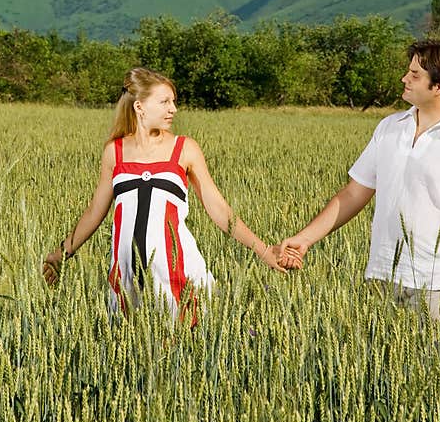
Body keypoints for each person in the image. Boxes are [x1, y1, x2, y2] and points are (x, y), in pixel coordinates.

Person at [43, 66, 295, 322]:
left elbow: (219, 209)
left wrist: (263, 251)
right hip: (126, 279)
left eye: (173, 101)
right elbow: (95, 212)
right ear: (139, 107)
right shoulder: (114, 152)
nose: (173, 109)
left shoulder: (184, 149)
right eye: (164, 102)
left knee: (186, 350)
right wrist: (61, 254)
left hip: (179, 276)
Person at [278, 39, 440, 329]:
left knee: (432, 369)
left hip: (435, 284)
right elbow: (354, 193)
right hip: (381, 275)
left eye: (415, 75)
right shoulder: (390, 127)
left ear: (439, 86)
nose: (404, 79)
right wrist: (304, 239)